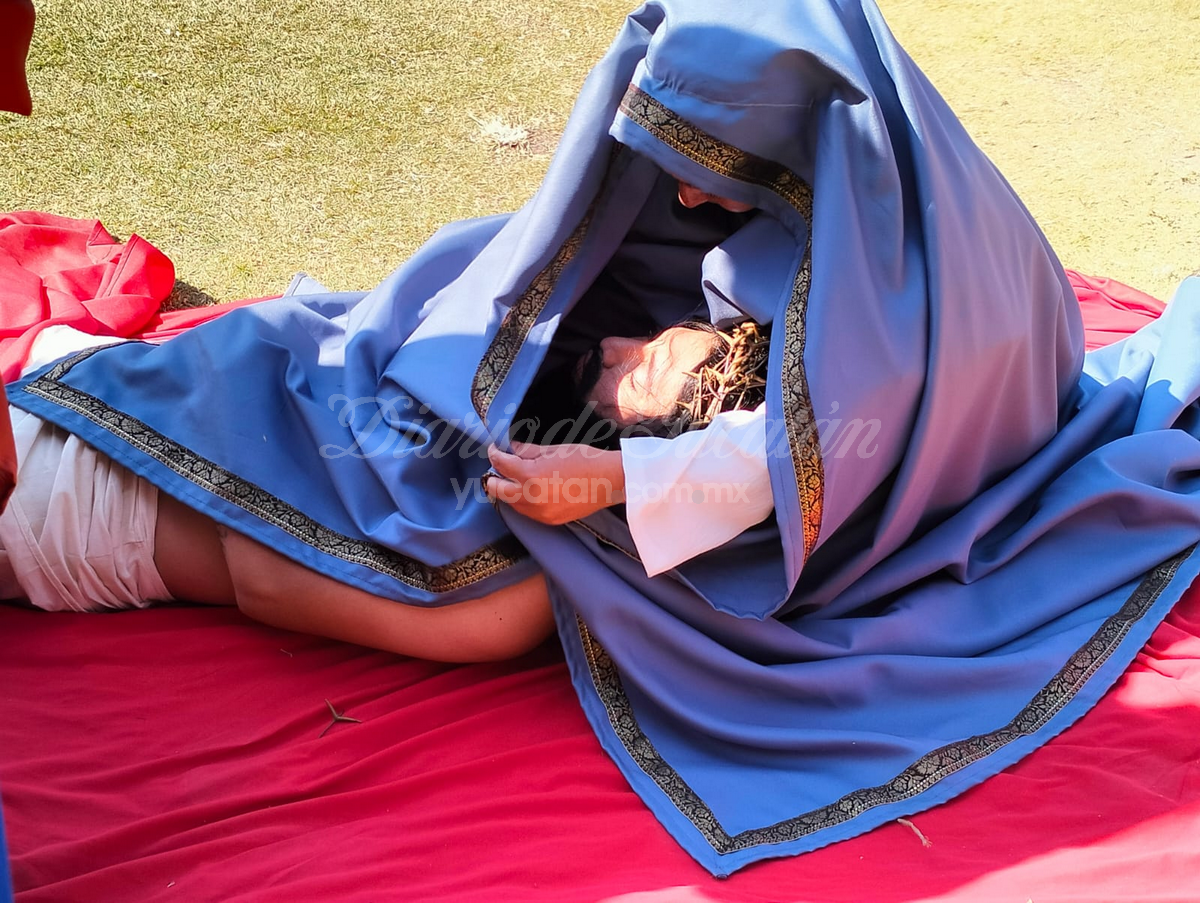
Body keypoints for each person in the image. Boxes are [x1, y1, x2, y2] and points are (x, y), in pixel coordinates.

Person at [9, 0, 1200, 878]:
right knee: (383, 427)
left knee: (480, 584)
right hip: (542, 437)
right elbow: (542, 263)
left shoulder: (894, 272)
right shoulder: (753, 201)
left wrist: (614, 474)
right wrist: (585, 384)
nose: (683, 195)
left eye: (712, 170)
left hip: (849, 466)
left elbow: (830, 440)